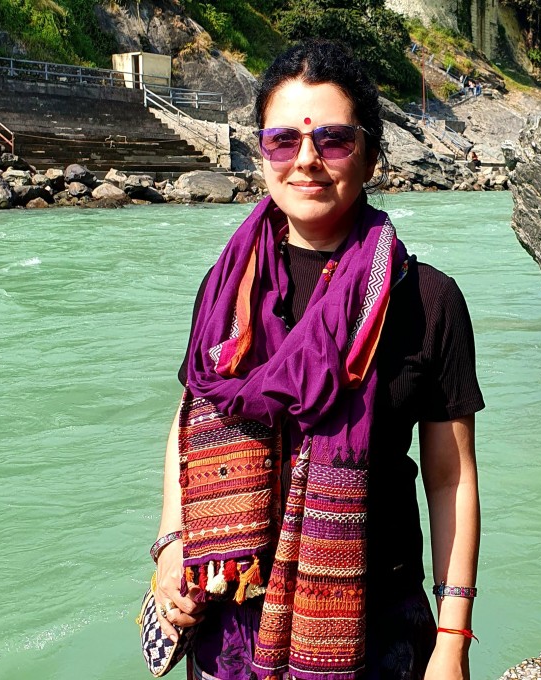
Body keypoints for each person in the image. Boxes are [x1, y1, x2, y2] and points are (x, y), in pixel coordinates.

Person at [151, 38, 484, 680]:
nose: (306, 161)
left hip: (375, 623)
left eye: (332, 140)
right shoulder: (226, 290)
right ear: (261, 152)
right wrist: (170, 549)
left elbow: (451, 479)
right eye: (284, 141)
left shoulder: (428, 300)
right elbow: (190, 418)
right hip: (228, 611)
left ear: (371, 156)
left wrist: (453, 637)